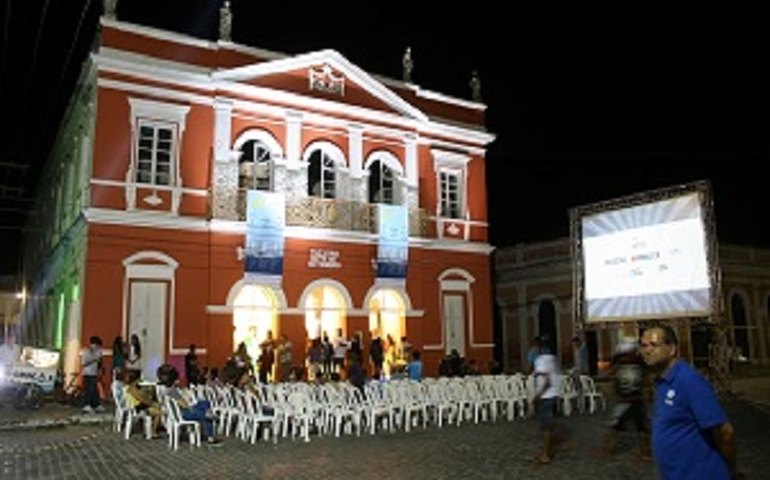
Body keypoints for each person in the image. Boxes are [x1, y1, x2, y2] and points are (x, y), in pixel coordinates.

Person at [640, 325, 742, 480]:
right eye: (643, 345)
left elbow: (725, 432)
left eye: (654, 345)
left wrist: (731, 470)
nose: (647, 350)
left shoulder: (689, 380)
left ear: (672, 349)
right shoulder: (662, 381)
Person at [604, 337, 650, 459]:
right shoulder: (639, 361)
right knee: (641, 426)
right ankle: (645, 452)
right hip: (636, 398)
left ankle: (610, 451)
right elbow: (646, 379)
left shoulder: (619, 362)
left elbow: (611, 376)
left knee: (616, 426)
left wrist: (613, 390)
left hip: (625, 399)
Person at [532, 346, 560, 464]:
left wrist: (538, 395)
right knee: (546, 426)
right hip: (553, 395)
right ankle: (545, 451)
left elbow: (546, 380)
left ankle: (545, 454)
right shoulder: (552, 359)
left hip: (545, 396)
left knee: (545, 427)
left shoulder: (541, 360)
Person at [81, 336, 105, 413]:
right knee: (89, 390)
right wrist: (93, 360)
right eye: (96, 345)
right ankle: (86, 404)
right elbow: (83, 363)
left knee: (95, 390)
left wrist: (100, 370)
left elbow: (100, 362)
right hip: (87, 373)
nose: (97, 347)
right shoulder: (86, 352)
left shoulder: (98, 352)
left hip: (94, 373)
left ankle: (96, 404)